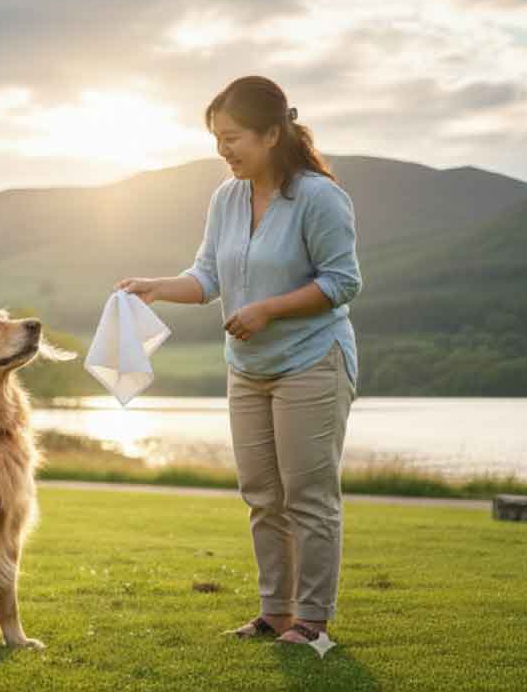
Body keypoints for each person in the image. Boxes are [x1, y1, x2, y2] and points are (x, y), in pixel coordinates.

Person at [114, 75, 362, 645]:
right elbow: (207, 277)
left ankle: (313, 623)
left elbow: (344, 282)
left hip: (311, 361)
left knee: (309, 498)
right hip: (248, 368)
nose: (223, 150)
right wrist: (156, 286)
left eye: (233, 138)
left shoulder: (320, 198)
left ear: (272, 133)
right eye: (217, 140)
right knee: (262, 495)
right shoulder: (226, 198)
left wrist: (268, 310)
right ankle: (274, 613)